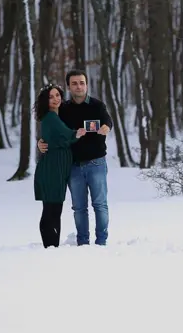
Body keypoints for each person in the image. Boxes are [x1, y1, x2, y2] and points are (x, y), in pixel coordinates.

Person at [38, 70, 114, 246]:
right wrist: (40, 142)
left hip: (96, 163)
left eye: (81, 82)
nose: (79, 86)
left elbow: (108, 120)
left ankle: (101, 242)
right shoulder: (62, 109)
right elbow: (52, 131)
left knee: (100, 205)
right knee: (79, 208)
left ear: (86, 84)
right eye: (74, 83)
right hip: (73, 166)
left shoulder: (97, 105)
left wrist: (106, 128)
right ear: (69, 86)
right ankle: (82, 242)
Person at [33, 84, 86, 248]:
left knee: (55, 209)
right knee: (51, 209)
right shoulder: (50, 117)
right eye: (51, 97)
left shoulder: (56, 116)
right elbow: (64, 137)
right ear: (45, 101)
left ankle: (53, 246)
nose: (55, 99)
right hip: (52, 168)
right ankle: (50, 247)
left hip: (58, 168)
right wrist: (76, 134)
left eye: (57, 95)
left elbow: (56, 138)